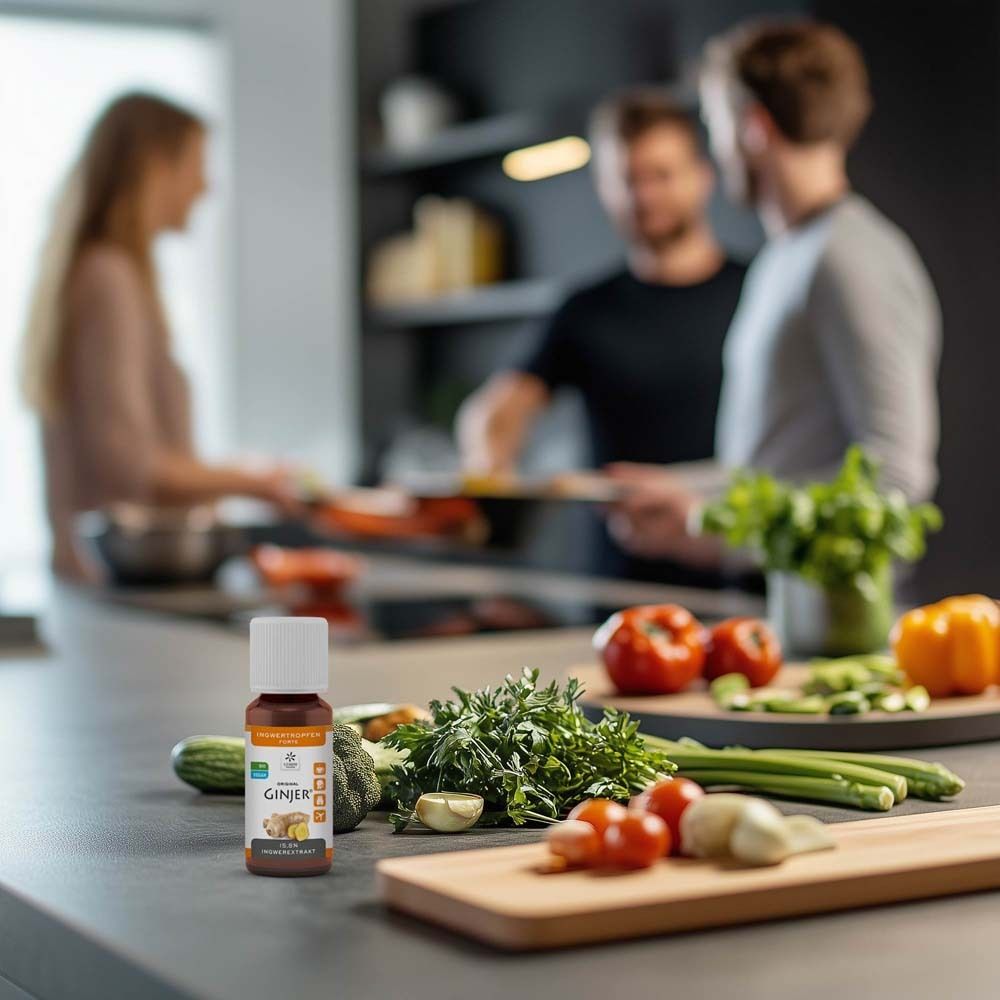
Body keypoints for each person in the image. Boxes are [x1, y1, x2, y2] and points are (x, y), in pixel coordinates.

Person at [610, 19, 941, 564]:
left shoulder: (848, 257)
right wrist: (683, 494)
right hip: (780, 607)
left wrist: (714, 534)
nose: (717, 149)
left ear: (754, 128)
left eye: (717, 124)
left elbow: (898, 481)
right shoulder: (786, 256)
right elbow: (770, 474)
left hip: (835, 628)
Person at [457, 89, 746, 581]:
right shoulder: (585, 310)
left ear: (702, 178)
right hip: (619, 589)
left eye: (661, 175)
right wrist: (489, 467)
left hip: (741, 579)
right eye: (628, 179)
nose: (645, 195)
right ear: (604, 188)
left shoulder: (758, 294)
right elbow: (500, 410)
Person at [20, 92, 301, 581]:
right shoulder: (109, 277)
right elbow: (131, 467)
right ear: (155, 164)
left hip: (102, 590)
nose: (206, 185)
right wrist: (253, 481)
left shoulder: (97, 273)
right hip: (121, 589)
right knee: (293, 656)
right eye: (196, 164)